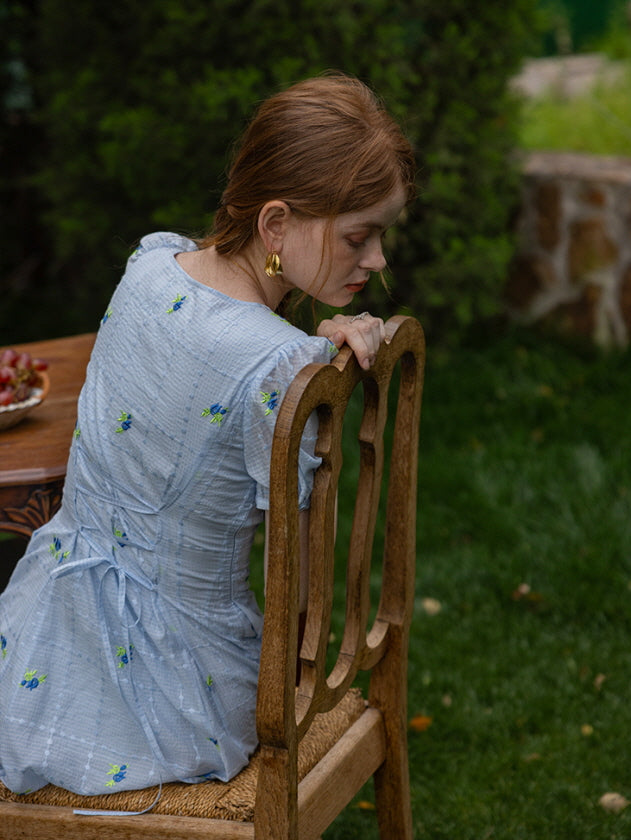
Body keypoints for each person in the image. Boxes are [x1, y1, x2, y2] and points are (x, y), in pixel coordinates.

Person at [0, 72, 415, 796]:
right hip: (180, 692)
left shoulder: (149, 267)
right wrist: (311, 360)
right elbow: (300, 577)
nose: (378, 259)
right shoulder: (280, 366)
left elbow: (220, 359)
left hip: (38, 634)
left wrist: (305, 351)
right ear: (276, 225)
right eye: (359, 236)